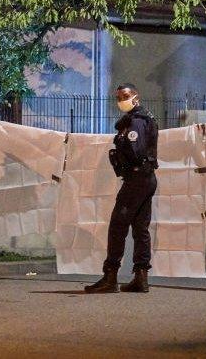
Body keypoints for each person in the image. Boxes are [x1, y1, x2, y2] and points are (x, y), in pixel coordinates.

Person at [85, 83, 159, 294]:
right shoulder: (146, 118)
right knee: (140, 228)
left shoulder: (136, 122)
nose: (121, 101)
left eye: (125, 96)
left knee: (118, 226)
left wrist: (122, 144)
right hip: (147, 178)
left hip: (136, 179)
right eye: (118, 97)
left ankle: (111, 276)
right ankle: (141, 277)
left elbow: (135, 151)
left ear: (136, 96)